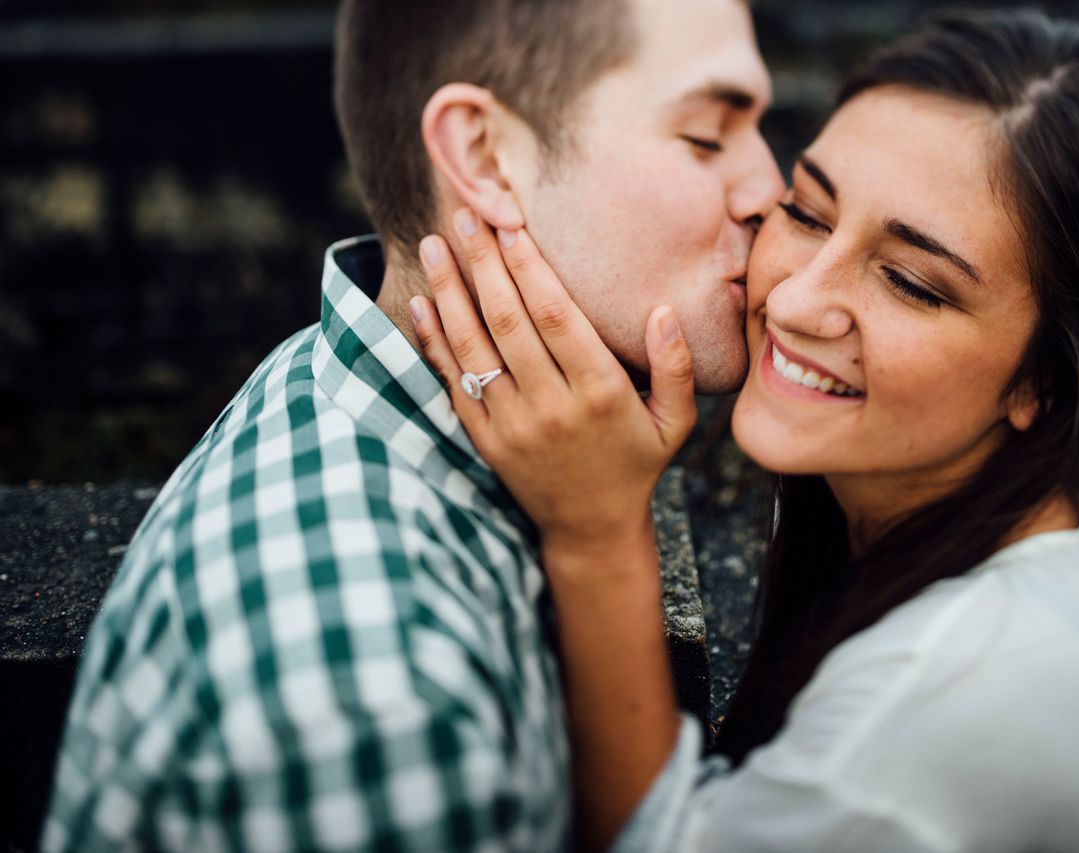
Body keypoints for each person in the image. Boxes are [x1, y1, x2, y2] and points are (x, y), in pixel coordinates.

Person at [409, 9, 1079, 852]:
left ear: (1045, 375)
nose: (791, 301)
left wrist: (596, 535)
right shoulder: (921, 505)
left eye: (909, 281)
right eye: (807, 211)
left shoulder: (973, 677)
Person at [41, 0, 781, 849]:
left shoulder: (342, 378)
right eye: (706, 136)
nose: (770, 187)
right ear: (484, 155)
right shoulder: (372, 706)